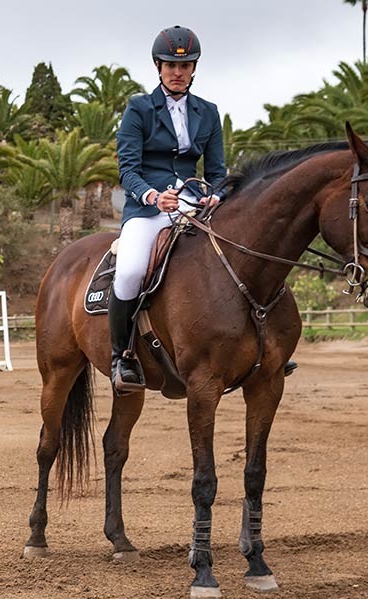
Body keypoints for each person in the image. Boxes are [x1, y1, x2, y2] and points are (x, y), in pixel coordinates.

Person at [110, 25, 227, 395]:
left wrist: (215, 195)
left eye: (186, 66)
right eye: (170, 66)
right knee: (128, 272)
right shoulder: (138, 109)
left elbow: (217, 172)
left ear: (194, 69)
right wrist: (151, 196)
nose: (178, 73)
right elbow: (127, 169)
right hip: (148, 208)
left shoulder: (207, 113)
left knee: (240, 251)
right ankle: (122, 357)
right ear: (158, 67)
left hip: (193, 205)